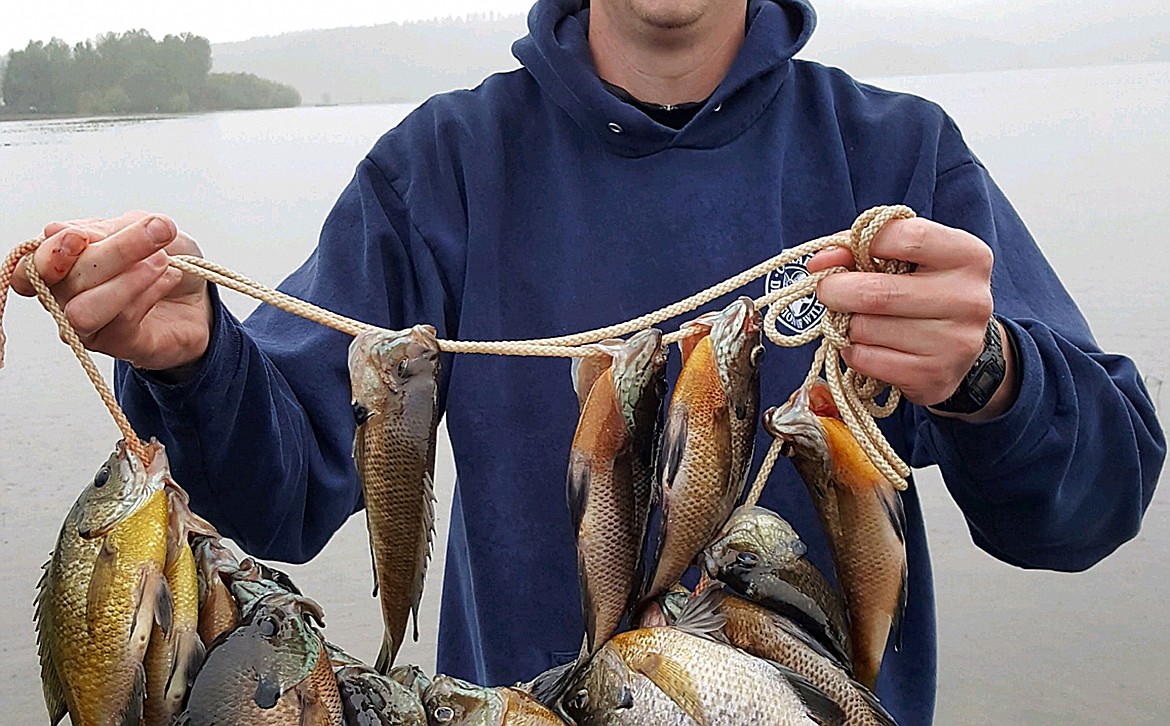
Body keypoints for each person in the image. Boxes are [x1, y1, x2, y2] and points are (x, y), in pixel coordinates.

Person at [13, 0, 1164, 723]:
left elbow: (1089, 510)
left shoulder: (898, 156)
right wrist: (196, 359)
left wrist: (992, 376)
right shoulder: (441, 167)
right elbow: (287, 489)